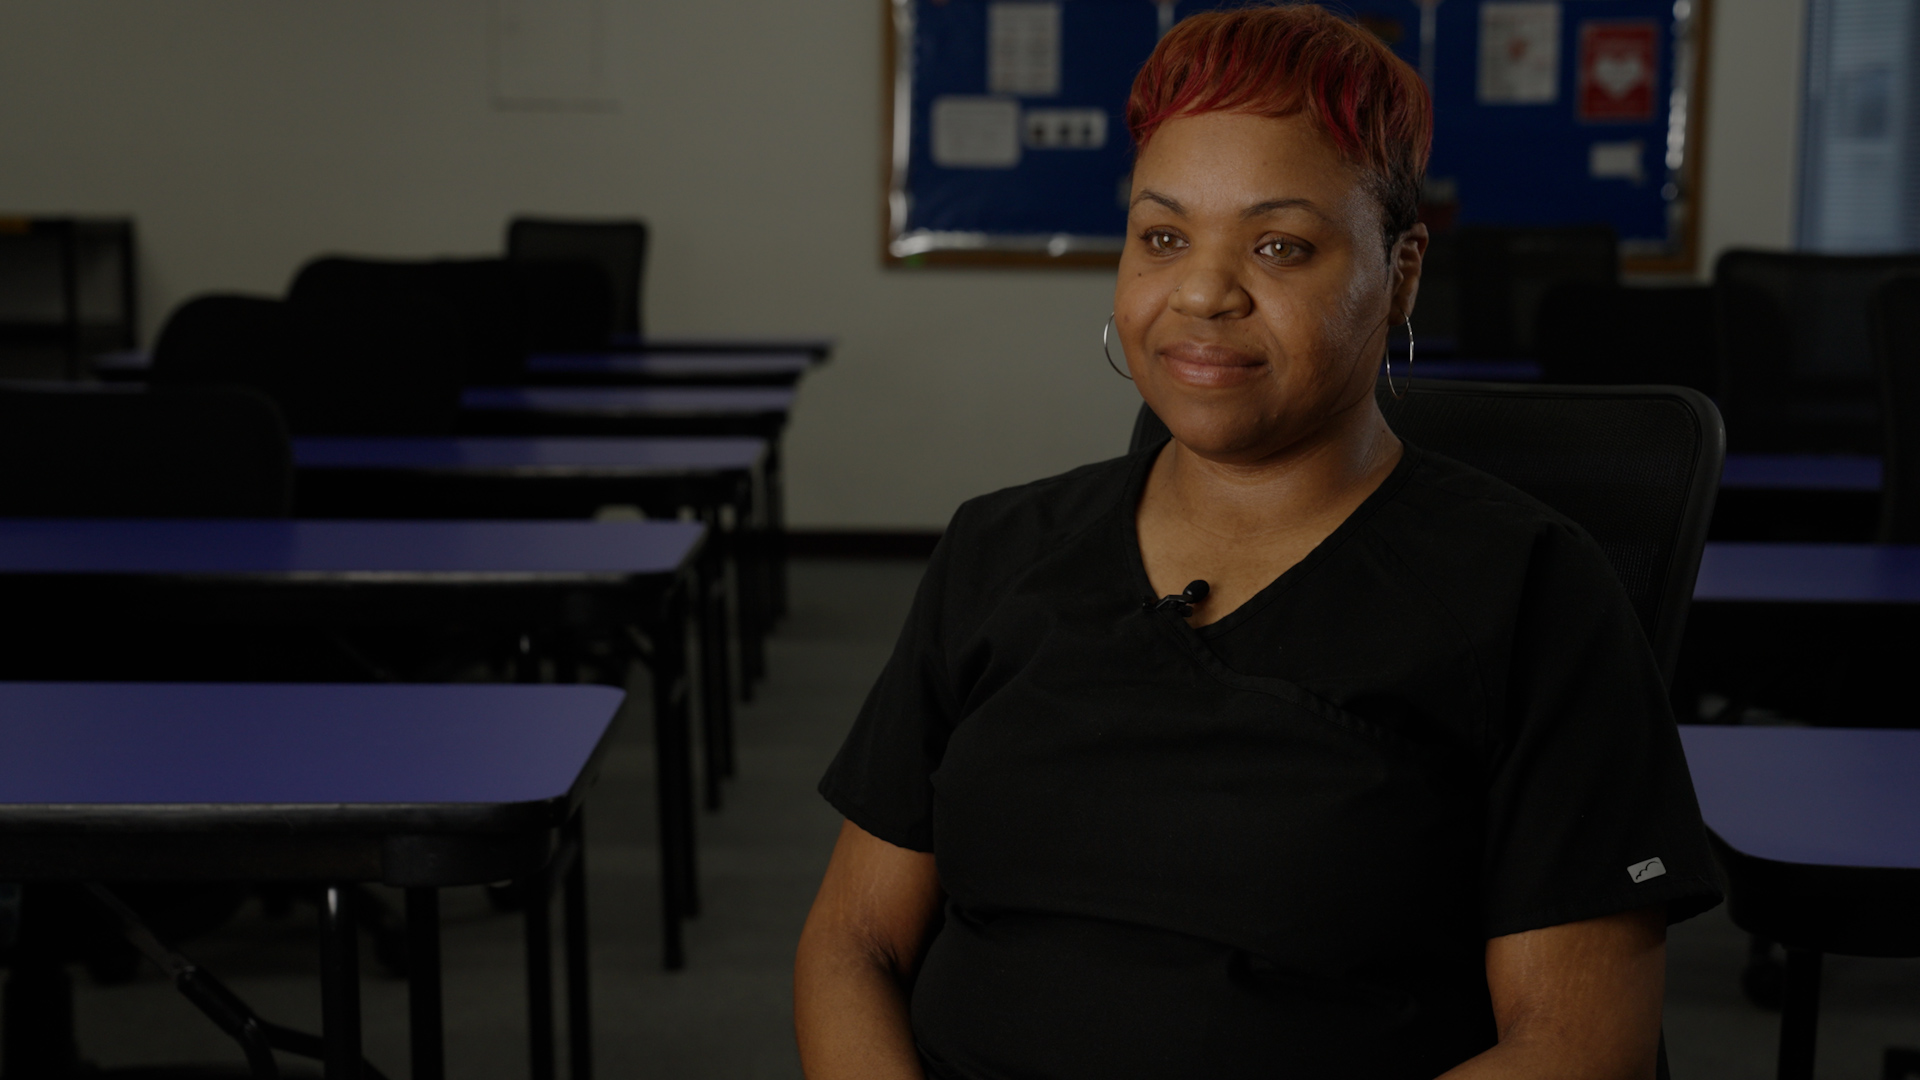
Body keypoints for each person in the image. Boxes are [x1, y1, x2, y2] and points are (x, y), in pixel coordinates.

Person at [794, 6, 1719, 1078]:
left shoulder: (1532, 591)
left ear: (1401, 273)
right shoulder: (998, 550)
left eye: (1280, 245)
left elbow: (1579, 1046)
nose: (1201, 291)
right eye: (1163, 236)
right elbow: (851, 944)